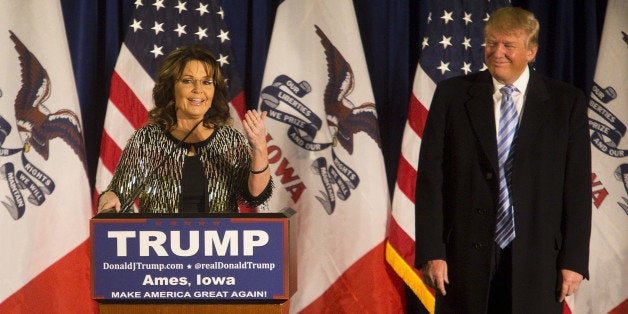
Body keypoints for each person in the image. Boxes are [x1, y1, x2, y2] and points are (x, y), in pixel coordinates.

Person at [414, 7, 591, 313]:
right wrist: (433, 251)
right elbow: (431, 180)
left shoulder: (566, 103)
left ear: (531, 51)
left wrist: (573, 261)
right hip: (464, 258)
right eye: (491, 43)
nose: (497, 53)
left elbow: (576, 190)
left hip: (537, 260)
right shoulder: (452, 96)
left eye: (508, 45)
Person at [98, 45, 272, 213]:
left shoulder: (229, 139)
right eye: (188, 81)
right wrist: (110, 196)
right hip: (160, 240)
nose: (198, 90)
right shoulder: (147, 140)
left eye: (206, 82)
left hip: (218, 241)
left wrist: (259, 147)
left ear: (214, 90)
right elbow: (119, 191)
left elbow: (256, 195)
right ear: (172, 88)